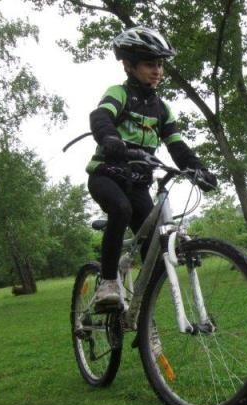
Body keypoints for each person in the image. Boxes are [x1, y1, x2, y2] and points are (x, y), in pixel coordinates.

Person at [87, 26, 217, 306]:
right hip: (106, 175)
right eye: (149, 64)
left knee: (154, 247)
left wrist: (198, 170)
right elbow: (101, 116)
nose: (157, 70)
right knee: (121, 210)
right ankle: (108, 282)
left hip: (138, 184)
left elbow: (177, 146)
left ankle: (142, 315)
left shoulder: (162, 109)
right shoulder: (119, 94)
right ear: (129, 65)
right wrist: (109, 138)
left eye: (160, 64)